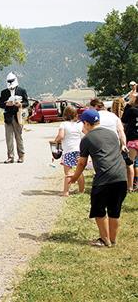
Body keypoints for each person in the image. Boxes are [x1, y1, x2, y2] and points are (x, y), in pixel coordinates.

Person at [68, 109, 127, 247]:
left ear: (87, 123)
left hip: (103, 179)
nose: (82, 127)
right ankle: (112, 240)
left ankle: (104, 239)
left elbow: (82, 162)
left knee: (99, 211)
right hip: (121, 177)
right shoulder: (112, 134)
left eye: (82, 124)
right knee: (114, 211)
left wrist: (75, 177)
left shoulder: (87, 139)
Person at [90, 98, 131, 190]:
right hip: (114, 142)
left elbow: (88, 130)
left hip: (98, 142)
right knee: (114, 164)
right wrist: (123, 144)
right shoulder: (113, 116)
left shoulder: (95, 116)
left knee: (100, 164)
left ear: (95, 107)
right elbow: (121, 131)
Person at [0, 72, 29, 163]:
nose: (10, 82)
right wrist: (6, 104)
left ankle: (21, 156)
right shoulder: (4, 92)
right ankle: (10, 156)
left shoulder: (22, 91)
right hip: (8, 117)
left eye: (12, 81)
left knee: (19, 137)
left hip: (18, 116)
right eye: (9, 81)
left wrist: (20, 104)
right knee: (8, 138)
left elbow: (27, 103)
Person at [53, 106, 85, 196]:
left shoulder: (63, 124)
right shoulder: (80, 124)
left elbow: (61, 136)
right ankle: (81, 190)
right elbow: (86, 133)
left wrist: (55, 141)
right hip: (79, 150)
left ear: (65, 115)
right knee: (79, 171)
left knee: (68, 173)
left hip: (68, 151)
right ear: (75, 115)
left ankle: (66, 192)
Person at [121, 91, 138, 191]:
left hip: (133, 139)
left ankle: (130, 187)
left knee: (130, 163)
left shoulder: (132, 110)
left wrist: (128, 104)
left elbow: (124, 120)